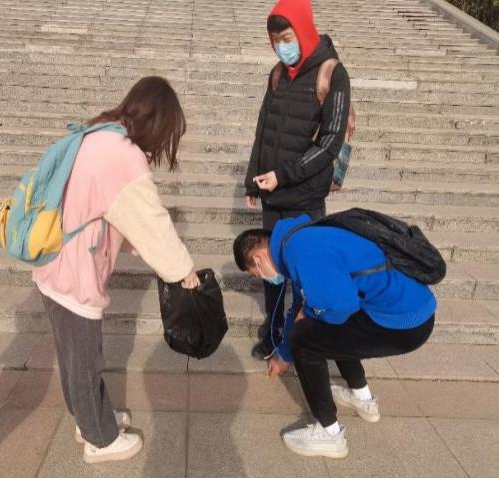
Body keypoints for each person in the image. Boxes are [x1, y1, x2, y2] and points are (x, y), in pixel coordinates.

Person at [32, 76, 200, 464]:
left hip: (54, 262)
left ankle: (89, 418)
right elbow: (151, 221)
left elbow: (117, 213)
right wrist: (182, 270)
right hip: (74, 273)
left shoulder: (100, 132)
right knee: (85, 361)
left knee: (72, 356)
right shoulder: (124, 155)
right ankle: (99, 439)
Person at [233, 214, 436, 458]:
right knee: (325, 325)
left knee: (305, 338)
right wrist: (283, 355)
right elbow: (300, 306)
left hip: (404, 323)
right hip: (413, 308)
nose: (264, 278)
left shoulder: (301, 252)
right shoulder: (297, 239)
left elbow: (340, 306)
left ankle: (329, 433)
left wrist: (305, 322)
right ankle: (362, 398)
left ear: (258, 258)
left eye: (256, 274)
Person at [244, 0, 352, 361]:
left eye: (287, 38)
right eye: (275, 41)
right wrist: (252, 181)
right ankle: (274, 330)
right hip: (272, 195)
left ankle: (304, 336)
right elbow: (263, 129)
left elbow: (330, 142)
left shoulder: (333, 74)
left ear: (304, 31)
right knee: (270, 271)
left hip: (305, 195)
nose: (281, 47)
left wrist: (283, 175)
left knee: (307, 273)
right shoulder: (277, 74)